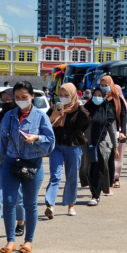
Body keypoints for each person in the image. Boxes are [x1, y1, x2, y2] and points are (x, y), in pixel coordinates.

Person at [0, 81, 55, 253]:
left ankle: (28, 241)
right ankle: (11, 241)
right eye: (17, 97)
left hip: (33, 165)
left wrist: (36, 138)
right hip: (10, 163)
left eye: (24, 97)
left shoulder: (41, 117)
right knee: (9, 202)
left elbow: (51, 143)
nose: (20, 100)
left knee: (29, 203)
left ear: (32, 96)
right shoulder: (8, 116)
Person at [45, 83, 91, 219]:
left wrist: (80, 105)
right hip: (57, 146)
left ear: (73, 95)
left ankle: (71, 204)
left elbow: (87, 121)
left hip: (73, 145)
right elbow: (45, 124)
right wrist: (54, 115)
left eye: (67, 95)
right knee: (55, 175)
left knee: (72, 176)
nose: (63, 98)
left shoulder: (79, 109)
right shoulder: (54, 108)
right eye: (60, 95)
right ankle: (50, 205)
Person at [0, 89, 25, 242]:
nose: (5, 102)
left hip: (14, 162)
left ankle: (21, 221)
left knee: (18, 197)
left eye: (8, 99)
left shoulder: (20, 118)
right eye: (2, 100)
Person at [80, 88, 119, 206]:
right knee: (89, 169)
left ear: (104, 97)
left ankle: (96, 196)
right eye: (95, 94)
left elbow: (112, 130)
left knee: (100, 169)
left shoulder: (108, 110)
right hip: (88, 143)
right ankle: (93, 191)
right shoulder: (86, 109)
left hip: (103, 145)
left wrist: (115, 147)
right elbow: (79, 126)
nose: (97, 97)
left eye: (99, 95)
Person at [100, 76, 127, 195]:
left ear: (111, 85)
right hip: (99, 132)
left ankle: (110, 184)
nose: (104, 87)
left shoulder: (117, 99)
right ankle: (99, 184)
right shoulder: (97, 98)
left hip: (113, 131)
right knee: (100, 160)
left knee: (111, 159)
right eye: (102, 85)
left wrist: (123, 131)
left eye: (106, 85)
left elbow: (123, 116)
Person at [114, 85, 127, 188]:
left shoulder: (124, 104)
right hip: (107, 134)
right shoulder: (106, 102)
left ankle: (116, 178)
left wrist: (121, 131)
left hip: (121, 135)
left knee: (118, 156)